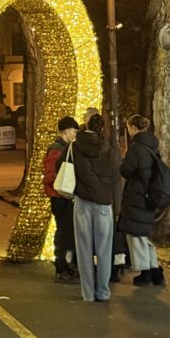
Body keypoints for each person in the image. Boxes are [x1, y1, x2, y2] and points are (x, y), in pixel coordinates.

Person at [70, 113, 120, 303]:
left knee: (83, 249)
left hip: (82, 201)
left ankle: (88, 293)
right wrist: (117, 208)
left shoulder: (75, 147)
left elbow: (61, 167)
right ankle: (103, 291)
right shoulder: (108, 149)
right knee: (104, 250)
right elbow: (116, 178)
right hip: (104, 203)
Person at [118, 114, 166, 287]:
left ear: (133, 127)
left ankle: (145, 272)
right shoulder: (152, 145)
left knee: (135, 235)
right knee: (144, 235)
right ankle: (155, 270)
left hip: (137, 196)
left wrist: (123, 160)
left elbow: (126, 170)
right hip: (149, 195)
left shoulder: (136, 148)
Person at [42, 115, 79, 284]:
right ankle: (61, 266)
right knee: (63, 233)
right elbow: (50, 175)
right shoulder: (58, 150)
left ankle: (65, 264)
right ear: (65, 131)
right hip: (60, 197)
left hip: (63, 196)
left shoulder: (64, 147)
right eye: (73, 130)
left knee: (67, 232)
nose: (75, 133)